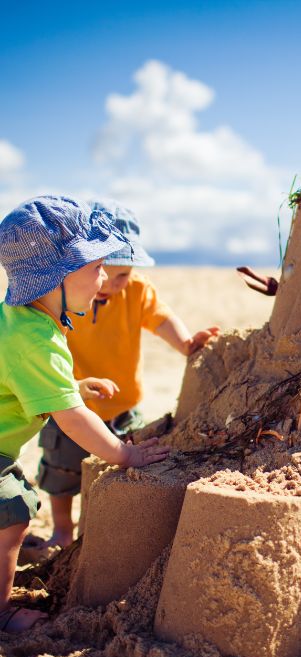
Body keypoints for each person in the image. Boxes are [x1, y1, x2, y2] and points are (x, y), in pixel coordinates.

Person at [0, 196, 170, 633]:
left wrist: (70, 387)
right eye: (95, 266)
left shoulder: (19, 320)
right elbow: (72, 420)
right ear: (55, 276)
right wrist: (124, 455)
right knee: (13, 516)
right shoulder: (37, 339)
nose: (103, 278)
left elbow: (21, 384)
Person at [28, 199, 219, 556]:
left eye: (123, 275)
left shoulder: (137, 291)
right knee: (62, 470)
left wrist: (186, 343)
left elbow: (160, 319)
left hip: (124, 406)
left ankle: (96, 529)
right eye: (103, 270)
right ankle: (63, 530)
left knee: (123, 465)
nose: (111, 284)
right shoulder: (69, 294)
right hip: (70, 401)